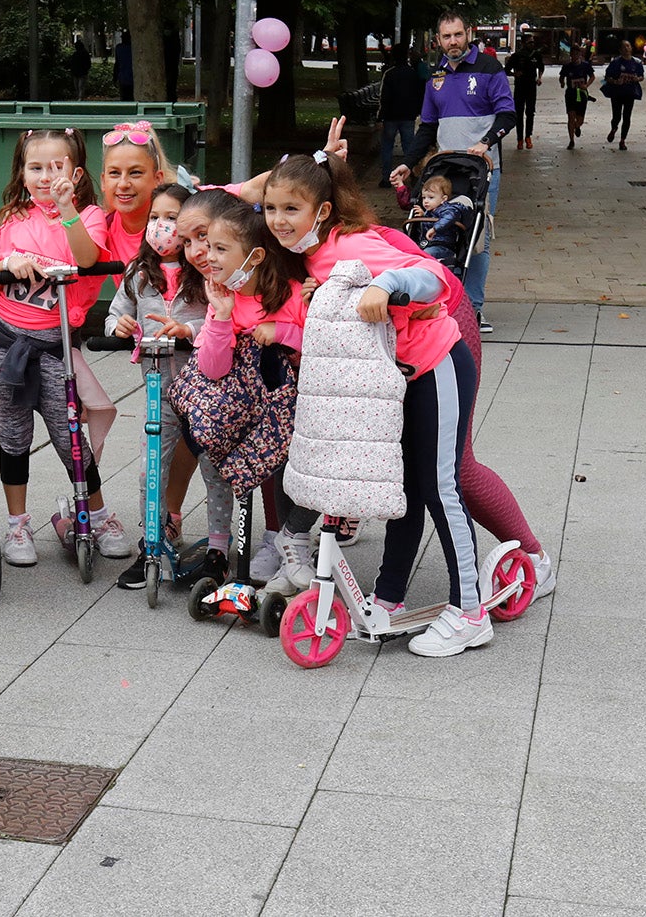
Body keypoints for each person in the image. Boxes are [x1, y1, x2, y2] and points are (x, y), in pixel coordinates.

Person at [269, 152, 487, 657]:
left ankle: (471, 612)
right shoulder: (310, 258)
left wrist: (387, 284)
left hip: (437, 367)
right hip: (394, 382)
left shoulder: (354, 243)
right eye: (271, 208)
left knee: (439, 485)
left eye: (291, 209)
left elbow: (434, 277)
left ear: (321, 212)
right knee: (402, 488)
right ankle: (388, 598)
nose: (278, 220)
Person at [0, 128, 134, 565]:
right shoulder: (13, 221)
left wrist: (66, 211)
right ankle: (17, 524)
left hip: (56, 348)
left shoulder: (89, 216)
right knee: (14, 435)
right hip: (8, 345)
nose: (46, 176)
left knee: (70, 439)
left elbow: (85, 260)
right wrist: (5, 264)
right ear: (22, 174)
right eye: (36, 167)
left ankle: (97, 515)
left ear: (77, 173)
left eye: (57, 166)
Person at [170, 188, 309, 591]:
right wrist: (221, 319)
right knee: (263, 468)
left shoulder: (292, 294)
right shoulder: (223, 298)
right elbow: (213, 368)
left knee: (287, 474)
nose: (207, 257)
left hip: (288, 406)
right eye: (204, 246)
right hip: (244, 408)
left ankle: (289, 539)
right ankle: (273, 545)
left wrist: (281, 331)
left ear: (255, 256)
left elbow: (316, 340)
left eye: (219, 248)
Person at [104, 183, 207, 589]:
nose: (161, 226)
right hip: (156, 389)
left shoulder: (204, 269)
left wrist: (190, 329)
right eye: (154, 218)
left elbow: (222, 319)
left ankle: (218, 544)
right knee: (152, 467)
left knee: (213, 468)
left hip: (203, 387)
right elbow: (116, 314)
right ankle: (152, 540)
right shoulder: (139, 272)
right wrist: (120, 325)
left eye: (171, 218)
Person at [390, 10, 515, 335]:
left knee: (477, 240)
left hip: (483, 169)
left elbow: (507, 115)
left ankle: (472, 308)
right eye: (447, 37)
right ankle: (442, 300)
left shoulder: (489, 69)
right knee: (439, 231)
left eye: (458, 35)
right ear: (439, 40)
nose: (453, 42)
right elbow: (428, 126)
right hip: (445, 171)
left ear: (468, 33)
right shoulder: (436, 77)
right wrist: (408, 161)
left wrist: (485, 143)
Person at [100, 120, 167, 270]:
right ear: (103, 181)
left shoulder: (180, 221)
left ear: (158, 179)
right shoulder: (103, 225)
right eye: (115, 173)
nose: (123, 184)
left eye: (135, 173)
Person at [376, 43, 422, 186]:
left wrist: (380, 116)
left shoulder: (389, 74)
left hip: (390, 116)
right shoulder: (413, 74)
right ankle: (413, 175)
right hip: (408, 115)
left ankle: (386, 178)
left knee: (387, 147)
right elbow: (418, 95)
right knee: (409, 147)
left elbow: (384, 97)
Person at [408, 174, 467, 263]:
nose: (426, 201)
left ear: (443, 199)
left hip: (443, 246)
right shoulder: (429, 212)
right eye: (424, 197)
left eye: (431, 197)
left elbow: (448, 218)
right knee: (413, 253)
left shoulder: (449, 209)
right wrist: (423, 216)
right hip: (428, 244)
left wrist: (435, 229)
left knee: (425, 254)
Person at [603, 42, 645, 151]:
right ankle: (614, 128)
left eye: (628, 46)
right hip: (617, 93)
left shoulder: (637, 63)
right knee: (616, 115)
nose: (626, 49)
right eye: (623, 47)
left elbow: (641, 76)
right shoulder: (616, 63)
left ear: (631, 48)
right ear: (620, 50)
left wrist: (637, 79)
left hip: (630, 93)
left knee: (627, 116)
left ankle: (622, 140)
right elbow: (607, 77)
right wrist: (615, 81)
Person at [504, 37, 544, 149]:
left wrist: (540, 78)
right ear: (523, 43)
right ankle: (519, 139)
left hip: (531, 86)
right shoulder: (517, 56)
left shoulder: (536, 55)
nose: (532, 44)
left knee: (530, 112)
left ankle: (528, 136)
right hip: (520, 87)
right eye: (529, 42)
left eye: (533, 42)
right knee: (519, 114)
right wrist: (514, 74)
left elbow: (541, 67)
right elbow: (506, 70)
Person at [559, 46, 595, 149]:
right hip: (570, 94)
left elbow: (592, 77)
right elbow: (561, 77)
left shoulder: (585, 66)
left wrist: (586, 85)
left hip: (582, 94)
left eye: (576, 54)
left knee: (580, 119)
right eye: (572, 54)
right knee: (571, 117)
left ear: (580, 55)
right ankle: (571, 141)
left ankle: (577, 126)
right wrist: (562, 83)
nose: (574, 57)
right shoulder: (567, 66)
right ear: (570, 55)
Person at [113, 31, 134, 101]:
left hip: (123, 78)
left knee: (124, 98)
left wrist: (115, 77)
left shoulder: (119, 48)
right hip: (130, 77)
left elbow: (117, 64)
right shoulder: (133, 48)